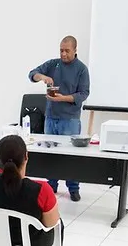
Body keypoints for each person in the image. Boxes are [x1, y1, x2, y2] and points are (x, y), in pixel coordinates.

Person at [28, 35, 90, 200]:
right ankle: (52, 185)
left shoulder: (82, 69)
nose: (63, 54)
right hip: (50, 118)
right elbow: (32, 74)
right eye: (61, 50)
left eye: (67, 51)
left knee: (71, 156)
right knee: (51, 155)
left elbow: (84, 94)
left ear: (75, 50)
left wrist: (62, 98)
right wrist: (42, 77)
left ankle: (73, 188)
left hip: (70, 120)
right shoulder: (53, 64)